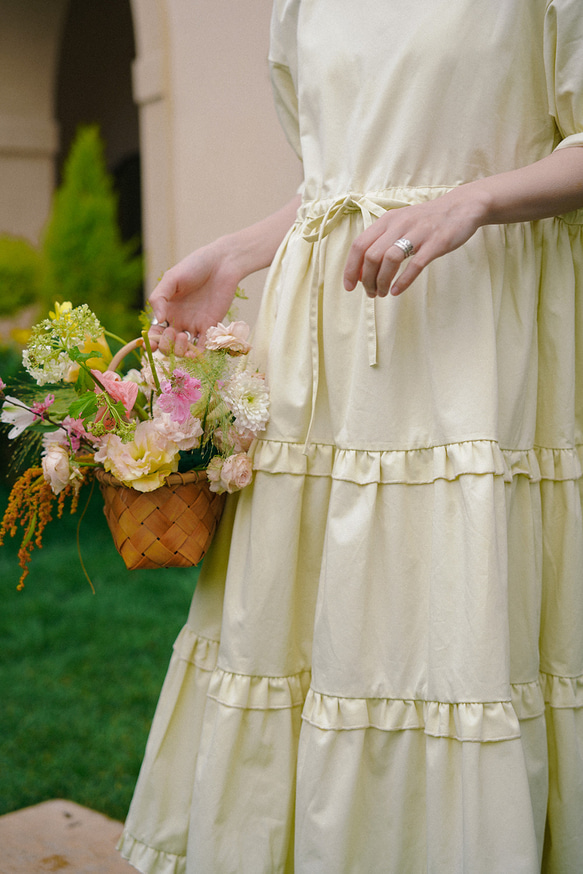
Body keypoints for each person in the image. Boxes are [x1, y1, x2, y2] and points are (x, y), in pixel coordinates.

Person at [118, 2, 583, 872]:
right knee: (313, 633)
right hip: (322, 358)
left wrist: (475, 199)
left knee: (453, 627)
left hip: (471, 348)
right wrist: (240, 252)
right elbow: (342, 173)